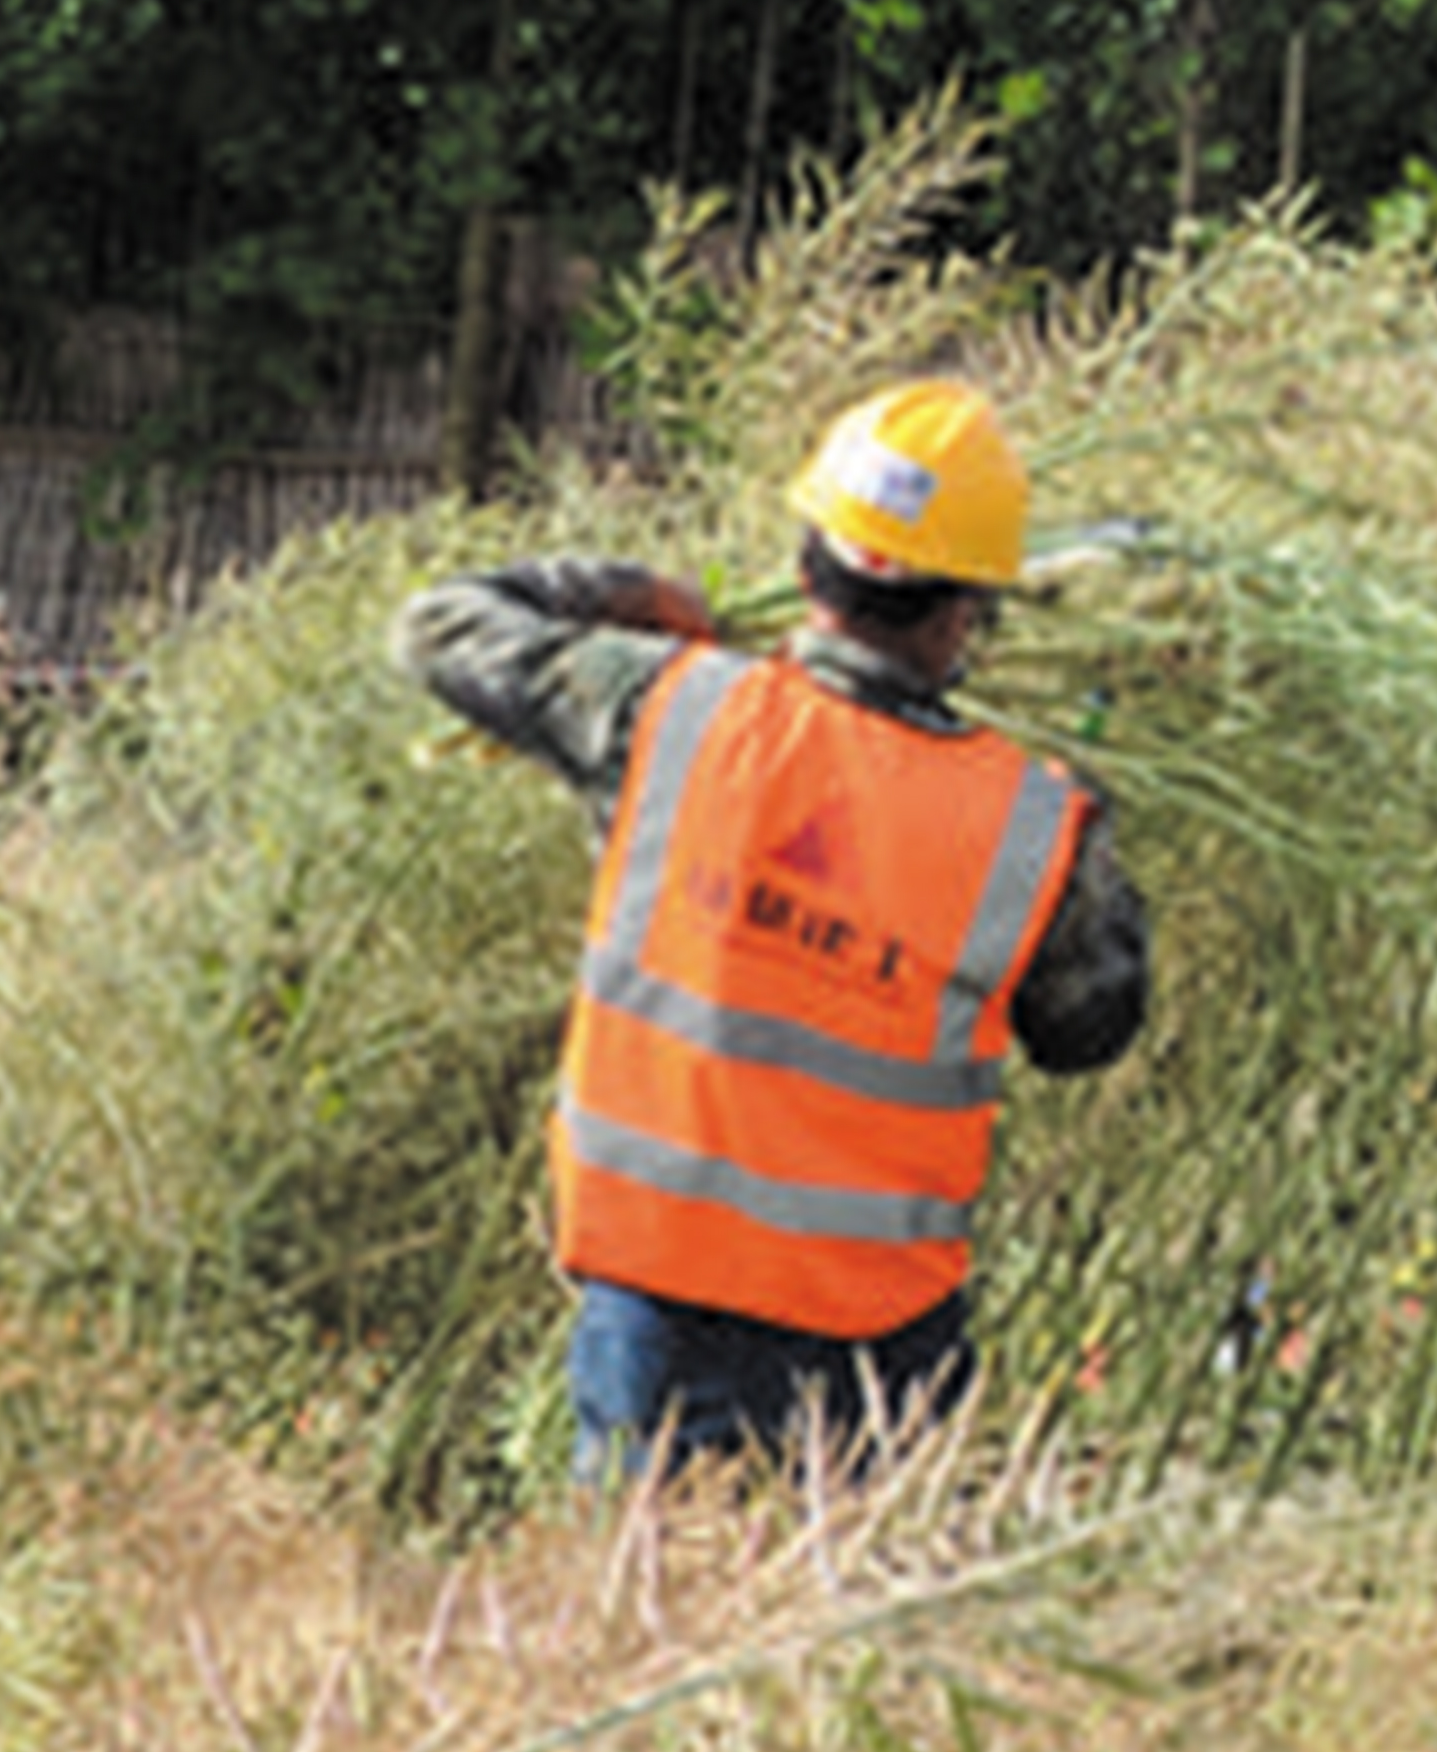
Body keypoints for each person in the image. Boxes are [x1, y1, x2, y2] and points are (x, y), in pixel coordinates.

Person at [397, 376, 1154, 1480]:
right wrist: (1099, 827)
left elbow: (436, 626)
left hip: (662, 1320)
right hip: (883, 1353)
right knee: (851, 1641)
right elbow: (1091, 1028)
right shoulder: (1033, 826)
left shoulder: (667, 708)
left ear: (807, 566)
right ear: (966, 616)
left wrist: (627, 592)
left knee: (654, 1630)